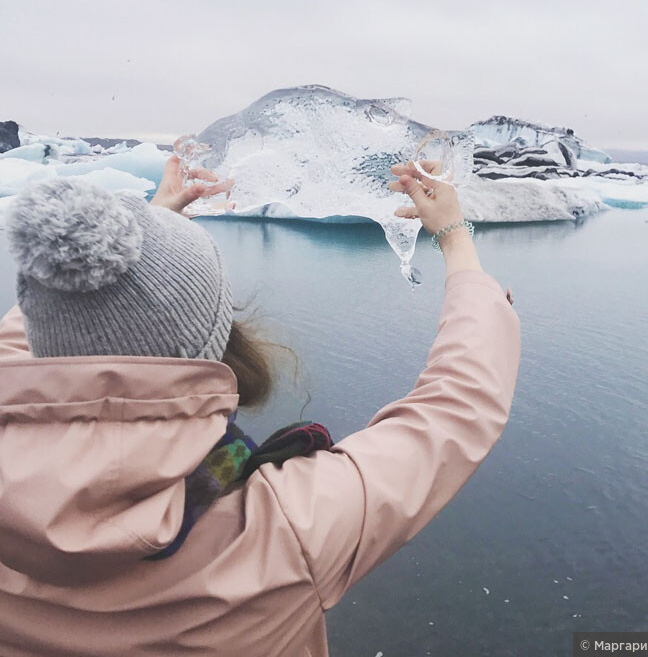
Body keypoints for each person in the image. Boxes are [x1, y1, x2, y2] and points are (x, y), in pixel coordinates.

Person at [0, 156, 521, 656]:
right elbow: (458, 401)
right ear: (214, 340)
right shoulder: (285, 530)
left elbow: (35, 339)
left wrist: (137, 234)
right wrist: (456, 237)